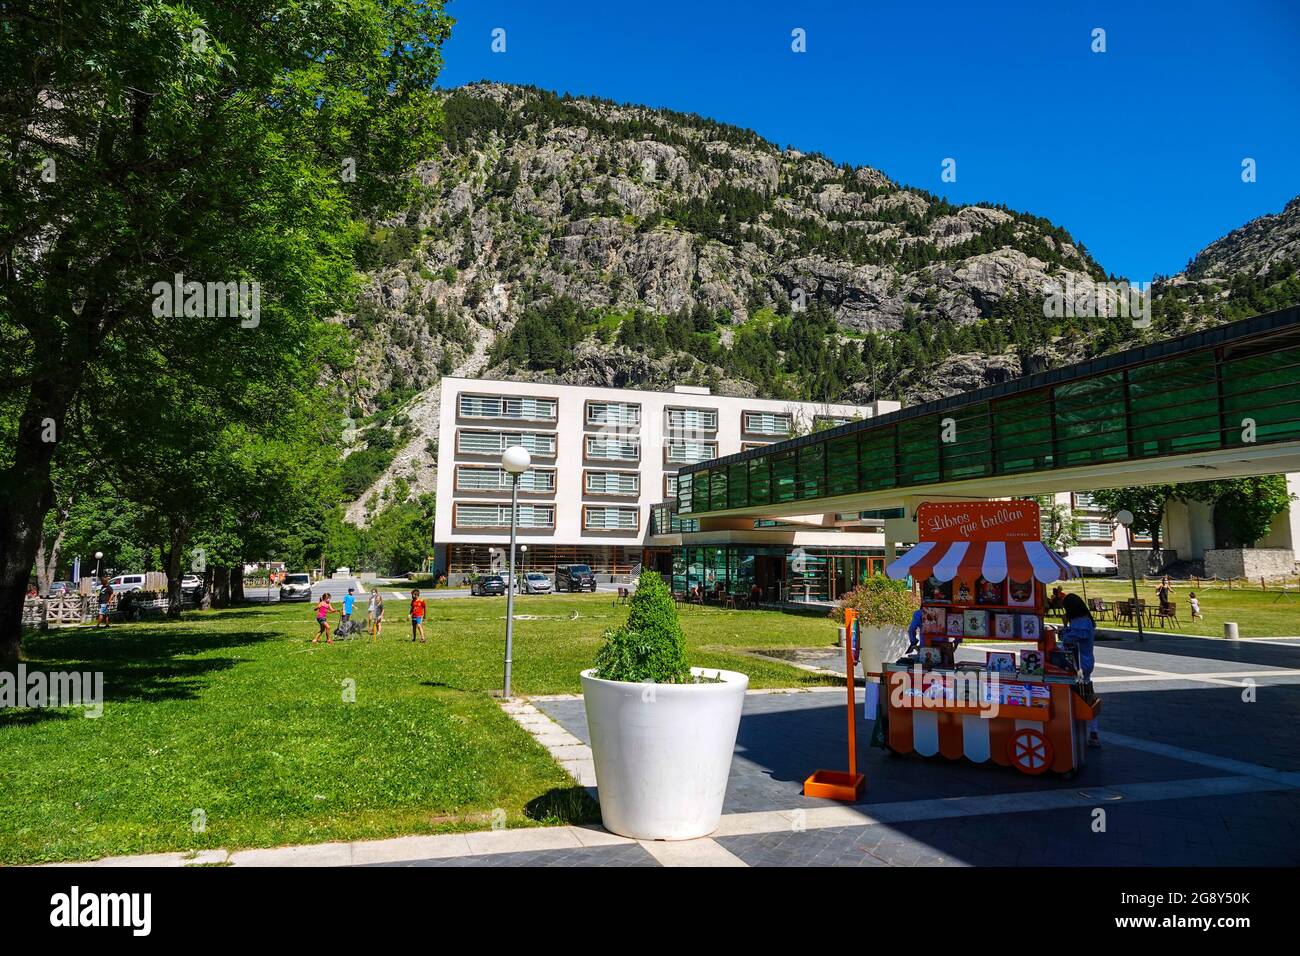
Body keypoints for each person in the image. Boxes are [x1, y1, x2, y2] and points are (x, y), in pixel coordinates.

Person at [1059, 593, 1100, 747]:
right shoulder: (1086, 620)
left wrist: (1064, 628)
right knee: (1087, 694)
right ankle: (1092, 731)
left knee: (1082, 696)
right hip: (1086, 661)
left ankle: (1087, 730)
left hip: (1079, 663)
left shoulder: (1080, 622)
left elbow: (1070, 639)